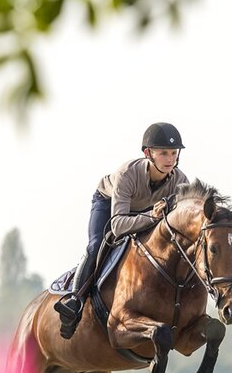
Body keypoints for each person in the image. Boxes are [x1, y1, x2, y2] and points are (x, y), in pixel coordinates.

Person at [54, 122, 189, 339]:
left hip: (146, 210)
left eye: (174, 153)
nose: (170, 159)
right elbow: (118, 226)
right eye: (163, 153)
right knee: (96, 244)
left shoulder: (181, 181)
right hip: (109, 205)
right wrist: (151, 217)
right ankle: (75, 300)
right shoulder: (127, 174)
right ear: (148, 153)